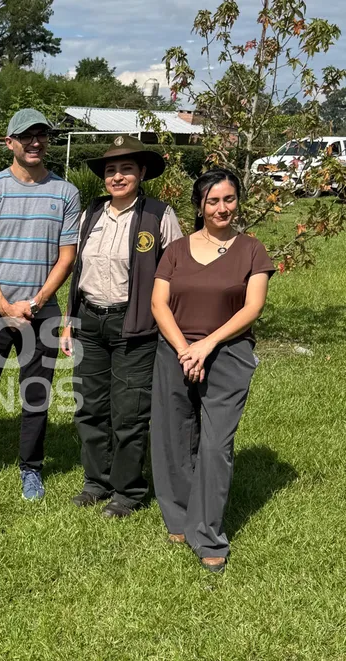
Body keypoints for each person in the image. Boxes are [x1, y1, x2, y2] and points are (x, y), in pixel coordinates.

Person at [151, 169, 274, 574]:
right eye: (213, 201)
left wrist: (207, 345)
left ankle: (207, 533)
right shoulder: (176, 250)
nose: (222, 208)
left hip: (229, 352)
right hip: (176, 351)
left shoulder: (252, 250)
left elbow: (253, 307)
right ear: (199, 206)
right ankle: (179, 516)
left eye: (229, 199)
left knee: (216, 444)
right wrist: (184, 349)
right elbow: (158, 304)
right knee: (173, 435)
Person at [0, 108, 79, 499]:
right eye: (27, 136)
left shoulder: (66, 192)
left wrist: (37, 302)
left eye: (41, 135)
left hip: (42, 314)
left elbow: (67, 258)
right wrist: (6, 307)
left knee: (36, 397)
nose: (35, 142)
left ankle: (31, 469)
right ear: (10, 142)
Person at [59, 136, 184, 518]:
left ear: (141, 173)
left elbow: (177, 273)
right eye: (111, 170)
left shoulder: (159, 216)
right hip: (90, 322)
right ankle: (96, 482)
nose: (117, 176)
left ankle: (128, 491)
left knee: (129, 413)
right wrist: (69, 321)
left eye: (126, 169)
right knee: (89, 409)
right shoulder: (91, 213)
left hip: (135, 325)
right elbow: (79, 271)